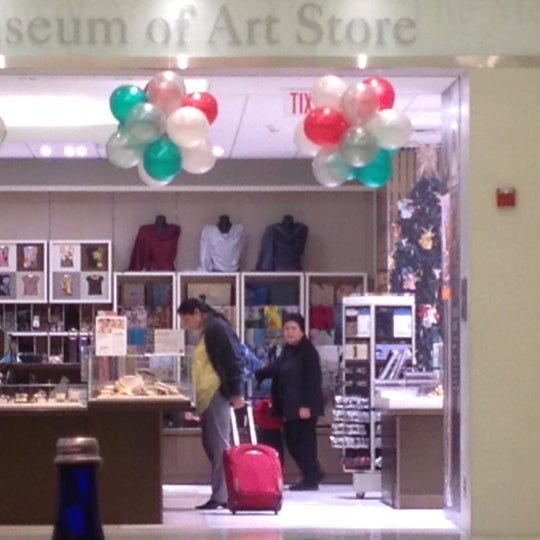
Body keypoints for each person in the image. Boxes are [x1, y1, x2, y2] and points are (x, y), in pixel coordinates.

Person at [177, 297, 245, 510]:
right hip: (207, 396)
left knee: (219, 445)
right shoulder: (209, 329)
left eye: (187, 320)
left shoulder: (216, 328)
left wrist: (236, 392)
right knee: (212, 443)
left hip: (217, 392)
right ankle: (221, 492)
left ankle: (223, 495)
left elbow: (232, 359)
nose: (187, 325)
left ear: (197, 313)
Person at [255, 312, 325, 491]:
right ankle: (314, 473)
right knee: (293, 441)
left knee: (304, 443)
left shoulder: (308, 352)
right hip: (289, 406)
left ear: (302, 331)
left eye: (294, 328)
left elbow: (313, 380)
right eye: (286, 329)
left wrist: (307, 405)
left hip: (303, 408)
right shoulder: (287, 350)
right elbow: (276, 367)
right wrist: (259, 373)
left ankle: (311, 478)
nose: (289, 332)